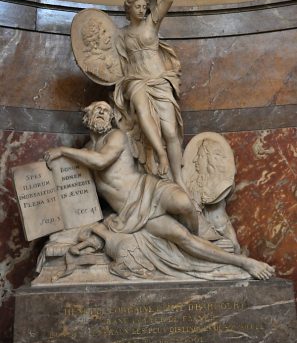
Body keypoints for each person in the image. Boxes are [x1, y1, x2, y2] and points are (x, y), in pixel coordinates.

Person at [45, 101, 274, 280]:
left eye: (106, 111)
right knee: (180, 237)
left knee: (183, 203)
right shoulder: (84, 152)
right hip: (130, 213)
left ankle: (201, 234)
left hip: (147, 188)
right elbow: (78, 192)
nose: (103, 113)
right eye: (98, 110)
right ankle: (244, 263)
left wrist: (63, 151)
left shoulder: (115, 136)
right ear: (87, 118)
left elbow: (101, 161)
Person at [113, 0, 185, 189]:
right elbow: (114, 65)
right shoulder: (120, 35)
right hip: (135, 80)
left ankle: (179, 179)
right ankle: (160, 154)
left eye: (145, 5)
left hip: (158, 79)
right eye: (138, 6)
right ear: (128, 9)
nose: (143, 8)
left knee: (171, 132)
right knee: (142, 112)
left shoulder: (152, 23)